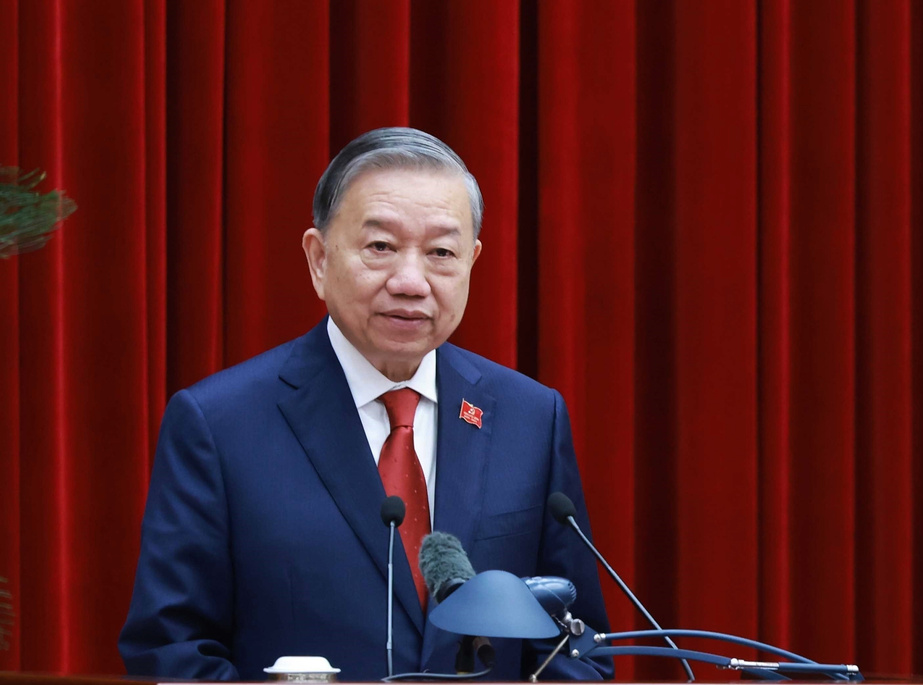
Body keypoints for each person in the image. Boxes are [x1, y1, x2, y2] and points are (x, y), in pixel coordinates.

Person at [118, 127, 612, 681]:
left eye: (441, 253)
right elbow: (172, 649)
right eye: (380, 247)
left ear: (472, 261)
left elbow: (577, 644)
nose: (410, 281)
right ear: (319, 258)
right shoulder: (218, 424)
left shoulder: (530, 417)